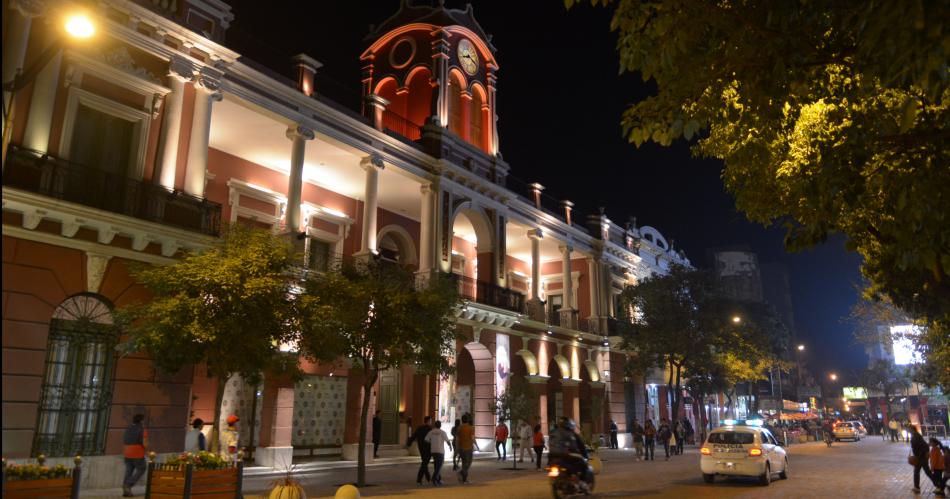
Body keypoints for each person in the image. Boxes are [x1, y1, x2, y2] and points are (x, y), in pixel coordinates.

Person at [547, 418, 592, 491]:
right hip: (565, 456)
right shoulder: (571, 434)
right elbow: (578, 447)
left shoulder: (553, 432)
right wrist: (584, 455)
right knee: (583, 464)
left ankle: (571, 480)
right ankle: (580, 482)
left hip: (552, 456)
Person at [122, 414, 148, 497]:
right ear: (141, 421)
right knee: (142, 468)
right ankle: (128, 485)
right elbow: (144, 443)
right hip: (137, 453)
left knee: (129, 470)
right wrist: (148, 450)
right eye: (143, 420)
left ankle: (126, 490)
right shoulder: (142, 430)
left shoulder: (128, 428)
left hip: (127, 452)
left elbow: (125, 439)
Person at [407, 415, 433, 485]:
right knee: (425, 463)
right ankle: (419, 479)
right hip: (428, 448)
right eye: (430, 421)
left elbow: (414, 435)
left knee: (424, 462)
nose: (431, 422)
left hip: (421, 447)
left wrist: (409, 443)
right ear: (428, 421)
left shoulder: (420, 428)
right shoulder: (430, 429)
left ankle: (428, 477)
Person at [424, 420, 452, 486]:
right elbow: (447, 441)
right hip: (440, 451)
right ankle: (434, 478)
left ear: (435, 425)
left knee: (436, 465)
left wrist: (431, 443)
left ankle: (438, 479)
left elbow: (426, 440)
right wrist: (450, 447)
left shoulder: (431, 432)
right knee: (439, 466)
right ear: (440, 425)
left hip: (433, 451)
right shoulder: (442, 432)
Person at [911, 426, 935, 493]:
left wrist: (917, 456)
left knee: (918, 472)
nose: (909, 431)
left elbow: (917, 448)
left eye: (909, 429)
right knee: (927, 472)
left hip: (920, 458)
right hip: (922, 457)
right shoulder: (918, 436)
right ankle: (938, 484)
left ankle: (917, 488)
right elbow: (924, 446)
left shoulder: (915, 437)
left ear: (912, 430)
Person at [457, 414, 477, 484]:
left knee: (464, 463)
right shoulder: (471, 428)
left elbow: (457, 438)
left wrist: (457, 448)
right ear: (467, 420)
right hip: (469, 448)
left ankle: (464, 479)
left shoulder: (459, 428)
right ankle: (462, 475)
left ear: (462, 420)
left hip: (461, 448)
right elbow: (472, 438)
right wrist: (476, 445)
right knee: (468, 463)